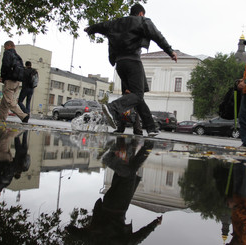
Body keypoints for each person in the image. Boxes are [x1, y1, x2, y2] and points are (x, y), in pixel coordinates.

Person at [84, 3, 177, 137]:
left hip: (119, 64)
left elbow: (101, 26)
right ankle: (112, 108)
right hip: (133, 61)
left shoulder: (115, 23)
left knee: (135, 97)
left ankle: (151, 127)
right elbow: (157, 35)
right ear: (140, 13)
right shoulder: (142, 21)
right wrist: (170, 51)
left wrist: (90, 29)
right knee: (138, 95)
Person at [66, 137, 161, 244]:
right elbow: (74, 232)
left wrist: (154, 224)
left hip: (119, 207)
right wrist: (69, 229)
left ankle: (113, 156)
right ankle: (127, 141)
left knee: (130, 174)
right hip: (107, 203)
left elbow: (139, 237)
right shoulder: (93, 242)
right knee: (124, 169)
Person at [0, 40, 29, 123]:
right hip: (17, 81)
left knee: (8, 101)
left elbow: (5, 65)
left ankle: (23, 116)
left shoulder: (7, 53)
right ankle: (2, 119)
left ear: (8, 46)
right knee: (4, 102)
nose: (5, 49)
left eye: (5, 47)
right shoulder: (18, 56)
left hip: (9, 80)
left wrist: (2, 76)